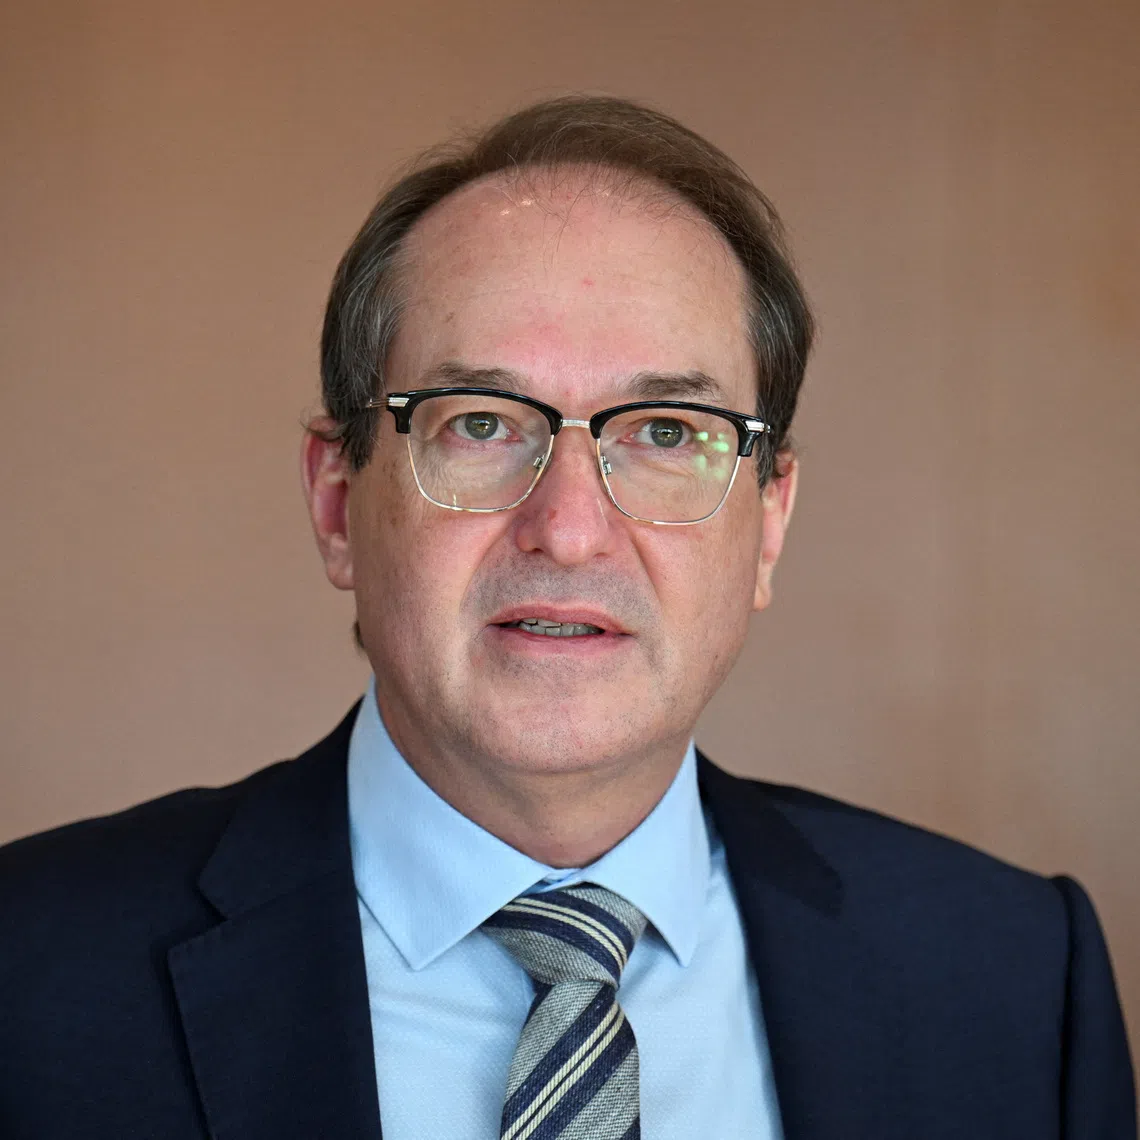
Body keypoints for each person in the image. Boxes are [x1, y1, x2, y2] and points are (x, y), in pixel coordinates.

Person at [0, 96, 1133, 1140]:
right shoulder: (30, 971)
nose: (570, 530)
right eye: (481, 424)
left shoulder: (1015, 979)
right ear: (339, 502)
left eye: (667, 432)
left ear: (770, 522)